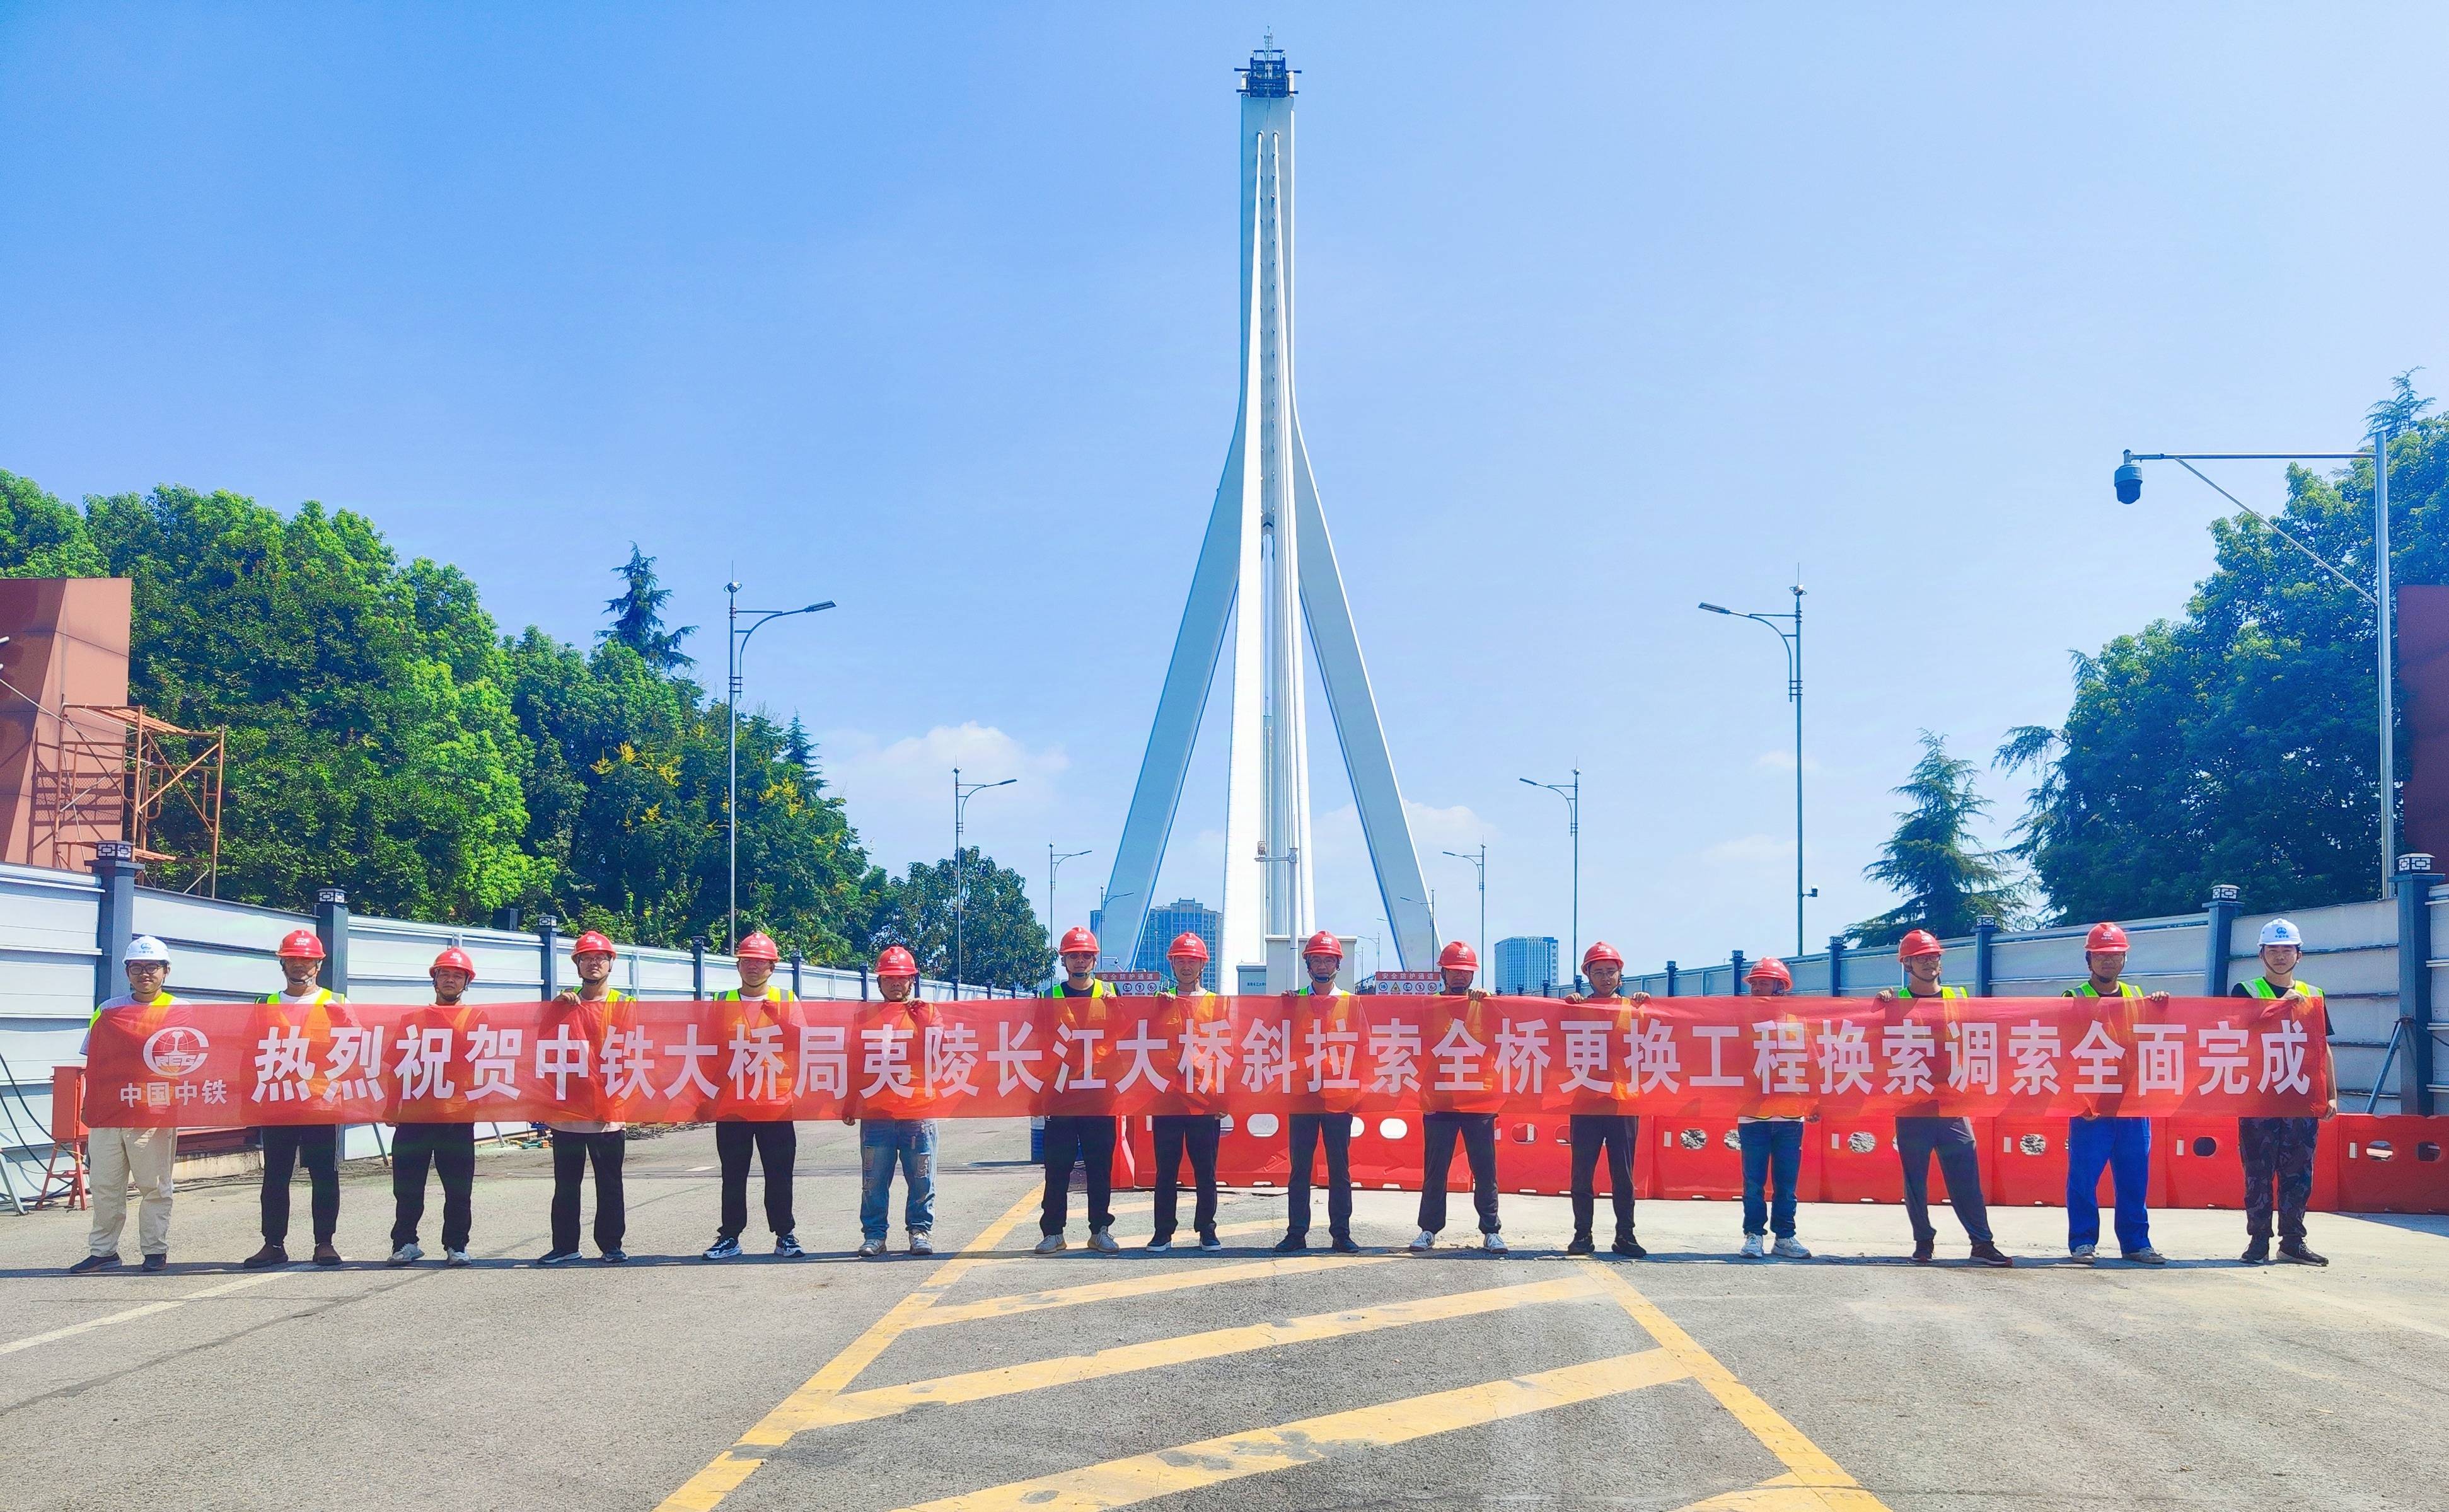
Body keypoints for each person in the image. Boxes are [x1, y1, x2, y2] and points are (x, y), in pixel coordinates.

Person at [1877, 931, 2012, 1267]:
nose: (1929, 962)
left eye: (1933, 956)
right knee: (1915, 1181)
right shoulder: (1895, 1003)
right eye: (1920, 957)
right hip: (1913, 1106)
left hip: (1953, 1105)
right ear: (1906, 963)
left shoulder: (1960, 997)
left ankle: (1982, 1243)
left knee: (1967, 1178)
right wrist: (1881, 1005)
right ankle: (1923, 1242)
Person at [71, 936, 180, 1274]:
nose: (144, 973)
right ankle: (104, 1251)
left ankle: (154, 1251)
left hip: (153, 1112)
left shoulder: (182, 1010)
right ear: (127, 971)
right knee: (105, 1185)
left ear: (166, 971)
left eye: (152, 967)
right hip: (110, 1113)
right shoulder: (108, 1010)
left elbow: (195, 1061)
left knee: (155, 1185)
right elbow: (96, 1059)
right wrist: (89, 1106)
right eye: (137, 967)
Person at [2233, 918, 2338, 1266]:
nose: (2280, 956)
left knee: (2298, 1172)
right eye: (2273, 950)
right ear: (2261, 954)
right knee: (2258, 1171)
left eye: (2287, 950)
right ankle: (2258, 1241)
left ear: (2299, 955)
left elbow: (2322, 1049)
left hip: (2299, 1097)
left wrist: (2331, 1094)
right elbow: (2237, 1033)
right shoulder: (2244, 992)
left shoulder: (2314, 995)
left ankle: (2293, 1242)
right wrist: (2282, 1006)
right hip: (2259, 1097)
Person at [2063, 923, 2168, 1267]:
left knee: (2134, 1176)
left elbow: (2158, 1039)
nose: (2108, 962)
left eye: (2115, 955)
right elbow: (2063, 1055)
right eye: (2101, 956)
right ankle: (2082, 1242)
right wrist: (2078, 1101)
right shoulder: (2072, 999)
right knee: (2083, 1177)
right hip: (2091, 1106)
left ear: (2124, 959)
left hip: (2131, 1103)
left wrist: (2162, 1006)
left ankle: (2136, 1243)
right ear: (2088, 959)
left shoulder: (2139, 998)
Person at [243, 929, 347, 1269]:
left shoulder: (338, 1004)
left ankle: (325, 1243)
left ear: (318, 965)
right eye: (292, 959)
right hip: (278, 1103)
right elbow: (249, 1055)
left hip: (321, 1103)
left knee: (324, 1175)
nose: (299, 965)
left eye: (306, 960)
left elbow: (358, 1052)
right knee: (275, 1176)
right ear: (282, 964)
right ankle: (273, 1244)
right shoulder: (264, 1005)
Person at [705, 931, 802, 1260]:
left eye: (761, 962)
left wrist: (782, 1022)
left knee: (779, 1174)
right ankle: (730, 1237)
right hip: (733, 1105)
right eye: (747, 961)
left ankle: (785, 1235)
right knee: (733, 1175)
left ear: (773, 967)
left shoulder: (787, 999)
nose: (753, 967)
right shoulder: (721, 1000)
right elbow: (706, 1050)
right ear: (738, 965)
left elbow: (806, 1043)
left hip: (776, 1103)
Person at [540, 930, 628, 1266]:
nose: (593, 963)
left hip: (608, 1110)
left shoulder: (625, 1005)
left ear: (610, 964)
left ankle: (611, 1245)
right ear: (577, 964)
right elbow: (544, 1050)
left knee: (610, 1183)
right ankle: (565, 1245)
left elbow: (641, 1055)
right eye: (586, 958)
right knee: (566, 1184)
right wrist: (555, 1010)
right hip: (569, 1110)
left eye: (600, 958)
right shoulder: (564, 1006)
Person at [387, 947, 480, 1267]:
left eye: (457, 975)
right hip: (414, 1116)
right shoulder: (412, 1020)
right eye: (444, 974)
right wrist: (390, 1109)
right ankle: (405, 1242)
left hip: (457, 1115)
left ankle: (456, 1244)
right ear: (434, 979)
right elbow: (395, 1067)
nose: (450, 980)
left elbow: (491, 1065)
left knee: (458, 1188)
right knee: (407, 1187)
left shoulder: (478, 1020)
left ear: (466, 982)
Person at [1410, 940, 1502, 1254]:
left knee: (1485, 1168)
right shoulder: (1429, 1005)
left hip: (1479, 1099)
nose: (1460, 977)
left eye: (1466, 971)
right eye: (1454, 971)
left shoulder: (1485, 1004)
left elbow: (1505, 1035)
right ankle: (1428, 1229)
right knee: (1436, 1168)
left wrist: (1491, 1003)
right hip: (1441, 1099)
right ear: (1443, 971)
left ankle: (1491, 1229)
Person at [1278, 931, 1365, 1255]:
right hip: (1303, 1095)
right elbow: (1276, 1041)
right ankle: (1296, 1233)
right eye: (1317, 959)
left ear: (1338, 964)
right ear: (1308, 963)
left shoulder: (1351, 1004)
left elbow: (1364, 1049)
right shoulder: (1293, 1000)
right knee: (1300, 1168)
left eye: (1329, 959)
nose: (1323, 965)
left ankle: (1341, 1233)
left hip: (1338, 1097)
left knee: (1339, 1169)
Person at [850, 945, 939, 1258]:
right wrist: (849, 1103)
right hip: (877, 1113)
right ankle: (875, 1235)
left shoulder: (927, 1013)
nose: (895, 984)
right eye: (889, 978)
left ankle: (920, 1231)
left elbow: (946, 1050)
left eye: (901, 978)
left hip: (917, 1112)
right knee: (873, 1180)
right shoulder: (866, 1018)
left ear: (912, 980)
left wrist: (924, 1019)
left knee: (921, 1178)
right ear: (879, 982)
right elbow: (853, 1061)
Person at [1037, 927, 1121, 1255]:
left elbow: (1130, 1039)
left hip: (1099, 1097)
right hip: (1061, 1096)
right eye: (1074, 955)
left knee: (1100, 1168)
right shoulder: (1049, 997)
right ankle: (1053, 1232)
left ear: (1095, 958)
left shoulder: (1110, 995)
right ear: (1064, 960)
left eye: (1086, 955)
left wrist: (1119, 1010)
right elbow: (1035, 1045)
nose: (1081, 960)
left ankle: (1100, 1230)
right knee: (1057, 1169)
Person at [1563, 942, 1644, 1257]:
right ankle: (1582, 1234)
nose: (1606, 978)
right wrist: (1565, 1006)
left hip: (1622, 1103)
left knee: (1623, 1174)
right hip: (1585, 1102)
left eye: (1611, 972)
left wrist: (1645, 1006)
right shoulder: (1577, 1008)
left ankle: (1626, 1235)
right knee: (1582, 1173)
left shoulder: (1633, 1008)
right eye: (1599, 973)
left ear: (1621, 975)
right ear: (1588, 976)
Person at [1149, 932, 1225, 1254]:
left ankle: (1207, 1229)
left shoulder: (1215, 1003)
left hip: (1204, 1099)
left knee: (1205, 1170)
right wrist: (1156, 1010)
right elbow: (1142, 1043)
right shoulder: (1160, 1003)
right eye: (1180, 960)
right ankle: (1163, 1232)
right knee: (1166, 1168)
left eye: (1192, 961)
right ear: (1172, 964)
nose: (1186, 966)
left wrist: (1224, 1098)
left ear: (1202, 965)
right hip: (1168, 1098)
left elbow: (1227, 1052)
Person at [1738, 956, 1811, 1261]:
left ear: (1781, 987)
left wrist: (1814, 1102)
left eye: (1763, 982)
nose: (1756, 987)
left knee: (1786, 1184)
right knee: (1753, 1183)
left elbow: (1812, 1064)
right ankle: (1754, 1235)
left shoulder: (1798, 1023)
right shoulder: (1740, 1021)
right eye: (1754, 983)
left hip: (1790, 1116)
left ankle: (1785, 1236)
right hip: (1752, 1115)